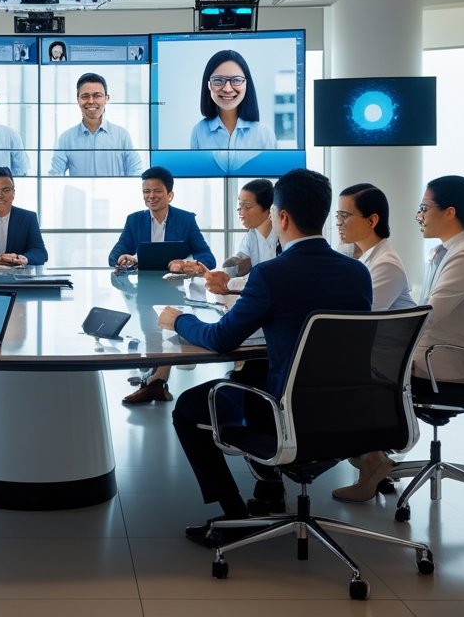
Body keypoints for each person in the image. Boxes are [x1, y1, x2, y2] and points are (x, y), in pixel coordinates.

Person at [159, 168, 372, 543]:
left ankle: (233, 514)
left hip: (285, 414)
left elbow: (221, 339)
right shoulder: (357, 274)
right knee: (248, 377)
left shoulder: (272, 275)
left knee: (189, 407)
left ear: (283, 217)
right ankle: (269, 484)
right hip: (347, 414)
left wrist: (179, 321)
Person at [332, 175, 464, 503]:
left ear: (449, 212)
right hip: (430, 352)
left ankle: (370, 457)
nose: (419, 215)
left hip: (442, 362)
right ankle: (367, 453)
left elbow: (428, 315)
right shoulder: (449, 250)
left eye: (424, 208)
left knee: (348, 370)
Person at [110, 166, 216, 405]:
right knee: (149, 331)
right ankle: (154, 377)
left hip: (174, 288)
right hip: (142, 288)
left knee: (162, 329)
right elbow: (114, 255)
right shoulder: (135, 220)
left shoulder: (185, 219)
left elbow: (207, 256)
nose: (151, 196)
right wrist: (123, 257)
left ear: (170, 194)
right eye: (146, 191)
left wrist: (187, 263)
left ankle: (156, 380)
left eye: (157, 191)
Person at [334, 183, 415, 311]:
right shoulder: (363, 257)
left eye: (344, 216)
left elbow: (355, 314)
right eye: (338, 215)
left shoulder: (386, 265)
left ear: (372, 221)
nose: (338, 223)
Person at [48, 73, 142, 177]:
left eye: (97, 96)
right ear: (78, 99)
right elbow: (55, 176)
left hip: (115, 193)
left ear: (107, 98)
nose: (91, 101)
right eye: (85, 96)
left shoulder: (122, 135)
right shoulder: (66, 138)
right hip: (80, 193)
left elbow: (135, 172)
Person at [188, 50, 277, 152]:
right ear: (208, 85)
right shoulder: (198, 132)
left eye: (236, 80)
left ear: (246, 85)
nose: (227, 89)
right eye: (218, 80)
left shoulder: (265, 134)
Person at [204, 178, 279, 295]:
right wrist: (223, 273)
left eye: (247, 206)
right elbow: (240, 265)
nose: (240, 211)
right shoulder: (251, 236)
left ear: (269, 209)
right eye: (239, 205)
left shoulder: (282, 236)